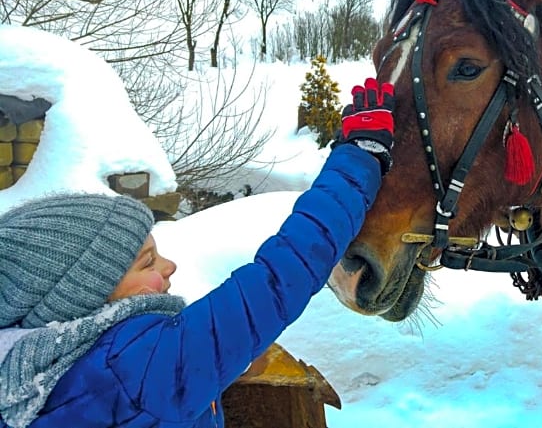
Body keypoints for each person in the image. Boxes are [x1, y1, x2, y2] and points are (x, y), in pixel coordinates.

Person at [0, 78, 395, 428]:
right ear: (84, 293)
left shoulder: (36, 369)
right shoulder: (133, 368)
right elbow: (279, 278)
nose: (169, 266)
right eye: (148, 263)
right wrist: (359, 156)